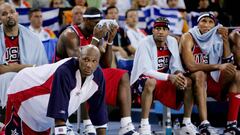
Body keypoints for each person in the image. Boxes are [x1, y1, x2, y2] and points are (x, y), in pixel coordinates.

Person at [56, 7, 139, 135]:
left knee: (122, 75)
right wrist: (95, 39)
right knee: (84, 75)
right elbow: (80, 63)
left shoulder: (97, 35)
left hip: (92, 72)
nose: (98, 26)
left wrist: (110, 41)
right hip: (66, 74)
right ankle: (87, 124)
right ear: (85, 20)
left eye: (99, 22)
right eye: (95, 22)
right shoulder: (70, 34)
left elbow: (106, 63)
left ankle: (126, 125)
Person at [4, 45, 108, 135]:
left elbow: (99, 112)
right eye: (86, 59)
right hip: (22, 93)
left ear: (98, 62)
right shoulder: (65, 72)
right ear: (78, 58)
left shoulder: (98, 77)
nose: (89, 65)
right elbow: (59, 118)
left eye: (94, 61)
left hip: (43, 115)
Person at [130, 17, 196, 135]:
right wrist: (170, 77)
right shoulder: (144, 43)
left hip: (164, 79)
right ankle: (144, 125)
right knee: (151, 82)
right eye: (157, 28)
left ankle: (186, 123)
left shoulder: (172, 41)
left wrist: (178, 75)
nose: (160, 31)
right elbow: (146, 71)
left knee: (188, 82)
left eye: (164, 29)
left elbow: (176, 66)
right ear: (153, 30)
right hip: (141, 81)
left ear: (168, 31)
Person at [180, 12, 240, 134]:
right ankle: (204, 124)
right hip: (194, 82)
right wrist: (218, 66)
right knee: (200, 74)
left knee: (238, 74)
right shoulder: (188, 36)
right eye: (204, 21)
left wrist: (224, 40)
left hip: (215, 80)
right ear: (198, 23)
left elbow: (228, 61)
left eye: (210, 22)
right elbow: (191, 66)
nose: (207, 24)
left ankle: (231, 124)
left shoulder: (217, 37)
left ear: (214, 25)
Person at [0, 2, 48, 110]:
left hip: (28, 78)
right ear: (0, 19)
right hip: (4, 81)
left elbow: (41, 69)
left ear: (17, 14)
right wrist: (24, 67)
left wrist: (12, 67)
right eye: (4, 14)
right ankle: (5, 113)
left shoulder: (33, 38)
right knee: (8, 77)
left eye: (12, 12)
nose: (9, 15)